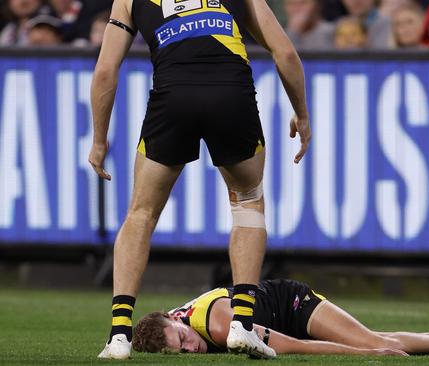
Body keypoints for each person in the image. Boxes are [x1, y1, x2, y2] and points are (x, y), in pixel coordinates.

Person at [90, 0, 311, 360]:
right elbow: (284, 52)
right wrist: (301, 115)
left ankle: (118, 336)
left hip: (172, 95)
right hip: (232, 94)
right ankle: (242, 325)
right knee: (248, 202)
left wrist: (99, 140)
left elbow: (104, 71)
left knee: (141, 214)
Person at [132, 279, 429, 357]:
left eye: (183, 339)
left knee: (378, 345)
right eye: (181, 350)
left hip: (290, 304)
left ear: (180, 323)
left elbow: (293, 346)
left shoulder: (220, 327)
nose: (191, 347)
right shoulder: (164, 327)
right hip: (269, 315)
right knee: (379, 338)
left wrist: (366, 355)